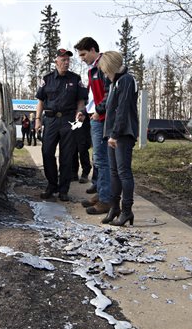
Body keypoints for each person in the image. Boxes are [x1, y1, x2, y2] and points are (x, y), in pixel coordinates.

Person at [35, 48, 88, 202]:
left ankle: (64, 189)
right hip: (50, 121)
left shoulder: (76, 79)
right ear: (56, 61)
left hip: (69, 121)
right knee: (47, 152)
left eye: (68, 60)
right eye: (63, 60)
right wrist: (38, 119)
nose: (66, 63)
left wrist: (80, 113)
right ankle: (52, 185)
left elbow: (81, 101)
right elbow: (41, 101)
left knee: (67, 156)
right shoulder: (47, 79)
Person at [98, 51, 139, 226]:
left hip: (122, 133)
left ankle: (127, 210)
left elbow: (122, 109)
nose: (105, 74)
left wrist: (115, 134)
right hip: (112, 133)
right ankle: (114, 208)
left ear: (110, 66)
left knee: (123, 172)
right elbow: (110, 107)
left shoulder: (126, 80)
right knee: (114, 172)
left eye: (105, 70)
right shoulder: (115, 82)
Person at [74, 37, 112, 215]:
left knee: (102, 159)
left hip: (103, 118)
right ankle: (102, 193)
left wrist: (98, 110)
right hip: (94, 116)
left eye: (83, 54)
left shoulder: (104, 65)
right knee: (98, 159)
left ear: (92, 50)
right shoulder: (92, 70)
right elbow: (92, 94)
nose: (81, 58)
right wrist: (85, 111)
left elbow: (109, 93)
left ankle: (106, 200)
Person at [71, 112, 92, 183]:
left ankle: (85, 173)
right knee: (72, 150)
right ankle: (73, 173)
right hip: (72, 122)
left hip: (83, 122)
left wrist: (83, 112)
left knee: (83, 149)